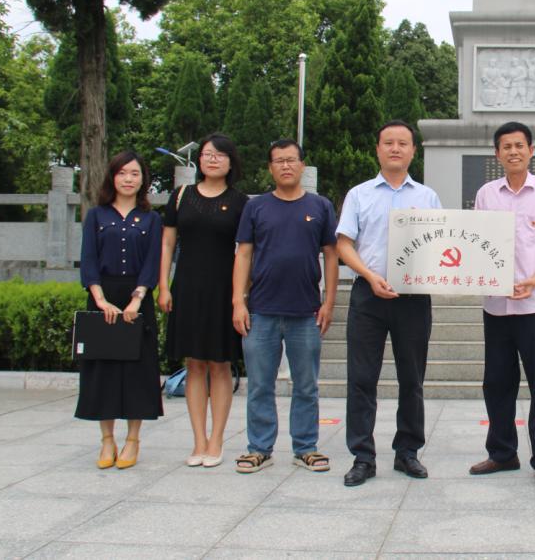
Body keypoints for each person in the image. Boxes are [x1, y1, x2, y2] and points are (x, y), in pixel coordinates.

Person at [469, 122, 535, 487]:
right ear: (497, 154)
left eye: (519, 145)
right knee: (496, 382)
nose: (513, 151)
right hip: (496, 306)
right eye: (506, 146)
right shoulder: (486, 194)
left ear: (531, 150)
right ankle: (502, 453)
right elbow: (476, 241)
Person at [337, 120, 441, 487]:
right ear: (378, 149)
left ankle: (407, 451)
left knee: (412, 378)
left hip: (413, 297)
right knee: (361, 378)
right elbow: (344, 244)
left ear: (413, 151)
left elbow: (439, 246)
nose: (395, 148)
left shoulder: (427, 197)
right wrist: (369, 275)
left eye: (403, 143)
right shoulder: (359, 194)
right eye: (388, 143)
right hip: (369, 294)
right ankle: (362, 457)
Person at [232, 139, 338, 474]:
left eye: (291, 160)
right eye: (279, 161)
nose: (286, 166)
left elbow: (331, 255)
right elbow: (243, 254)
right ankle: (259, 448)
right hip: (261, 310)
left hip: (306, 312)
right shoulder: (256, 207)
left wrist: (329, 302)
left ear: (302, 165)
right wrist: (238, 302)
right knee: (259, 386)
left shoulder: (320, 206)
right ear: (270, 167)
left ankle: (305, 447)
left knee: (306, 386)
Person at [158, 134, 248, 468]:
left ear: (230, 162)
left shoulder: (241, 202)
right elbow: (167, 244)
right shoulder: (182, 195)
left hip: (223, 290)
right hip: (187, 288)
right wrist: (163, 286)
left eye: (220, 155)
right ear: (199, 160)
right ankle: (198, 441)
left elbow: (246, 252)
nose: (213, 159)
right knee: (194, 363)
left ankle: (216, 440)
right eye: (208, 154)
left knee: (220, 364)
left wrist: (240, 297)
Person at [78, 150, 163, 469]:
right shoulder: (97, 216)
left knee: (137, 371)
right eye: (122, 173)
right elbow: (88, 260)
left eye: (135, 174)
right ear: (112, 177)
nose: (128, 179)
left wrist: (137, 299)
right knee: (104, 370)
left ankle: (132, 440)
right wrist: (100, 300)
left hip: (137, 299)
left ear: (143, 180)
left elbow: (153, 262)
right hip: (103, 297)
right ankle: (107, 440)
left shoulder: (152, 219)